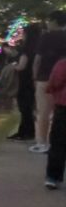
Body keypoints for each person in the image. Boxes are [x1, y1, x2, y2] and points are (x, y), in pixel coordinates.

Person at [31, 10, 66, 154]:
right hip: (63, 79)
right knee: (61, 112)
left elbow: (38, 59)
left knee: (43, 112)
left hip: (45, 77)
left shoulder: (46, 37)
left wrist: (34, 77)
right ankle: (58, 142)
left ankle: (42, 142)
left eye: (49, 20)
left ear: (54, 21)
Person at [8, 23, 42, 141]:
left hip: (24, 80)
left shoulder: (26, 49)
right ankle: (29, 131)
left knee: (24, 108)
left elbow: (22, 66)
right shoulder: (38, 48)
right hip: (34, 80)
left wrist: (13, 66)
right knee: (29, 106)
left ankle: (25, 132)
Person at [44, 56, 66, 189]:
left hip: (63, 105)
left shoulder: (63, 63)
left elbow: (55, 82)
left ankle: (53, 176)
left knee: (58, 142)